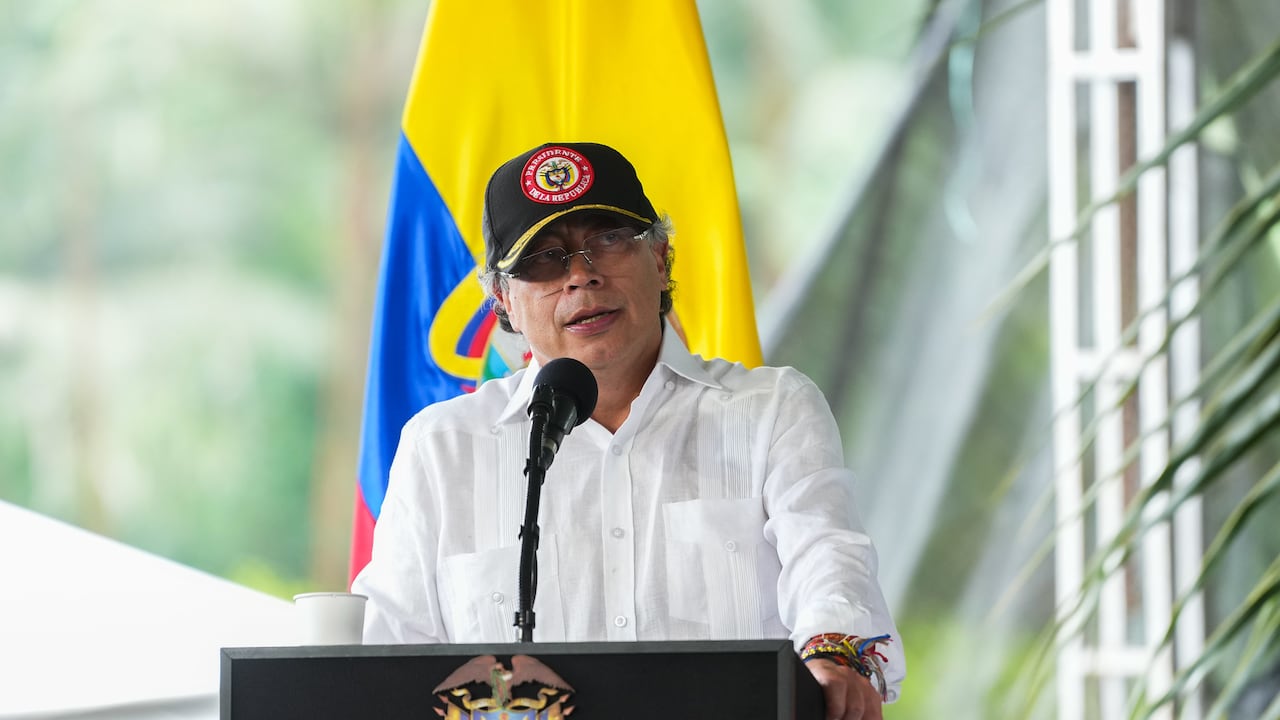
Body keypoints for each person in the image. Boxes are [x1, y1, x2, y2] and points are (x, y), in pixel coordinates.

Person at [352, 141, 905, 719]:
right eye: (544, 260)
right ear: (503, 301)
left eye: (608, 240)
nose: (581, 276)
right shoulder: (442, 447)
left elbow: (827, 556)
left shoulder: (771, 409)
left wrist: (833, 656)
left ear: (661, 259)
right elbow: (386, 654)